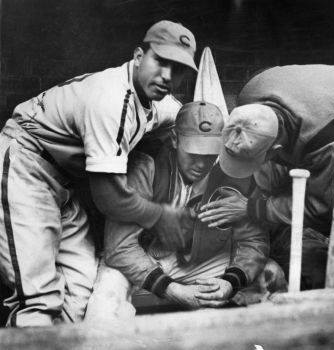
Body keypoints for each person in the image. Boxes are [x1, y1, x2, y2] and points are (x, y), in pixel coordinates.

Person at [0, 20, 198, 327]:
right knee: (38, 301)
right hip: (24, 165)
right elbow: (109, 198)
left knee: (80, 294)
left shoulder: (160, 103)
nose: (168, 76)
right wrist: (161, 215)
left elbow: (189, 120)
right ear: (137, 56)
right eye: (160, 61)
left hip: (61, 185)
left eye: (179, 68)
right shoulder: (111, 99)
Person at [199, 63, 334, 288]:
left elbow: (320, 206)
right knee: (267, 176)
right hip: (324, 101)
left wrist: (251, 208)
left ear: (276, 149)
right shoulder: (248, 97)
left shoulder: (328, 139)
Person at [104, 101, 275, 309]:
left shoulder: (235, 172)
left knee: (272, 274)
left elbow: (253, 241)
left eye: (210, 153)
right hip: (149, 258)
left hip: (203, 261)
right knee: (108, 289)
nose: (202, 164)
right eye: (193, 153)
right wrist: (173, 290)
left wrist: (230, 282)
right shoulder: (146, 167)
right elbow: (119, 247)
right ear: (175, 139)